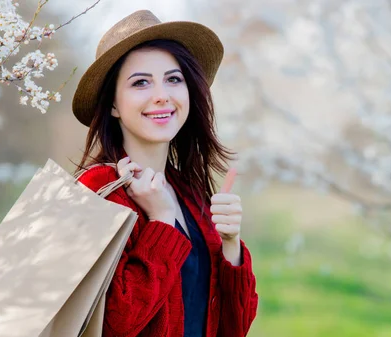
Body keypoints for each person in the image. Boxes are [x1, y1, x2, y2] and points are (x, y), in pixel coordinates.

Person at [71, 9, 258, 337]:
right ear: (113, 104)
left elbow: (232, 327)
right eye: (140, 82)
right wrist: (160, 222)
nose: (162, 95)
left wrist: (230, 245)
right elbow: (113, 326)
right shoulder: (96, 190)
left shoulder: (188, 191)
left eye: (173, 79)